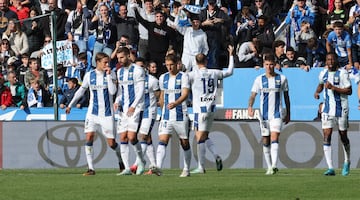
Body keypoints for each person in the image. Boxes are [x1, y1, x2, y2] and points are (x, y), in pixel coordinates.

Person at [65, 52, 124, 176]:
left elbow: (113, 91)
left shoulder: (111, 73)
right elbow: (81, 90)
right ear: (97, 62)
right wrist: (70, 105)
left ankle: (121, 162)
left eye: (108, 62)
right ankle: (91, 168)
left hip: (107, 114)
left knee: (111, 143)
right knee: (89, 137)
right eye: (105, 62)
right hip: (92, 113)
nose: (107, 64)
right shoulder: (89, 75)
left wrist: (108, 76)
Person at [188, 45, 234, 174]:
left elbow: (182, 80)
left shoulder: (192, 75)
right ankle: (216, 156)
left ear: (196, 63)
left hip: (199, 110)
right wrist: (231, 54)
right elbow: (230, 71)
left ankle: (201, 167)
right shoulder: (215, 72)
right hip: (212, 109)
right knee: (205, 135)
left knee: (199, 138)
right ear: (206, 61)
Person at [247, 53, 291, 175]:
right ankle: (269, 166)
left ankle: (274, 165)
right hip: (263, 115)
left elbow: (287, 97)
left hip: (277, 114)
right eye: (267, 64)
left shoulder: (282, 79)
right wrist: (250, 107)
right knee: (265, 140)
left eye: (271, 64)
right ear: (263, 65)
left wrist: (288, 112)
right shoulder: (259, 79)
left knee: (275, 137)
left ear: (275, 65)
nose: (269, 67)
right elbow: (252, 95)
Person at [152, 54, 192, 177]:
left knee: (184, 142)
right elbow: (162, 95)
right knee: (163, 139)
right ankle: (158, 167)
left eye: (171, 65)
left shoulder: (184, 77)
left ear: (177, 64)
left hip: (180, 114)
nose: (169, 67)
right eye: (167, 65)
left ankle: (186, 169)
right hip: (166, 115)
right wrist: (163, 109)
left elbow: (185, 94)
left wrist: (176, 103)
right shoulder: (163, 78)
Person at [314, 53, 352, 176]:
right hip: (327, 109)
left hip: (341, 108)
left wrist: (333, 88)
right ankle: (330, 168)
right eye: (328, 59)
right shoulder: (323, 73)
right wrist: (317, 92)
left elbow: (349, 90)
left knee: (343, 136)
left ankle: (347, 161)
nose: (330, 61)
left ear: (336, 60)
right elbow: (321, 85)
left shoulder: (342, 73)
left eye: (332, 59)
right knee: (327, 135)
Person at [114, 47, 146, 175]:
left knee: (132, 137)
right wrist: (117, 101)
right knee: (123, 137)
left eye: (122, 57)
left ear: (128, 56)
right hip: (124, 110)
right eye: (118, 58)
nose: (120, 60)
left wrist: (133, 106)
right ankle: (127, 168)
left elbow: (141, 90)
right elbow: (120, 91)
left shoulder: (138, 70)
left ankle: (141, 160)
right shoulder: (119, 72)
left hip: (135, 109)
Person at [133, 57, 160, 175]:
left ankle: (137, 164)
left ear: (145, 68)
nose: (139, 69)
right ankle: (153, 166)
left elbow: (159, 95)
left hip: (149, 111)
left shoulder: (152, 80)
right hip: (139, 112)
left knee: (142, 136)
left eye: (141, 67)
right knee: (147, 138)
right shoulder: (133, 80)